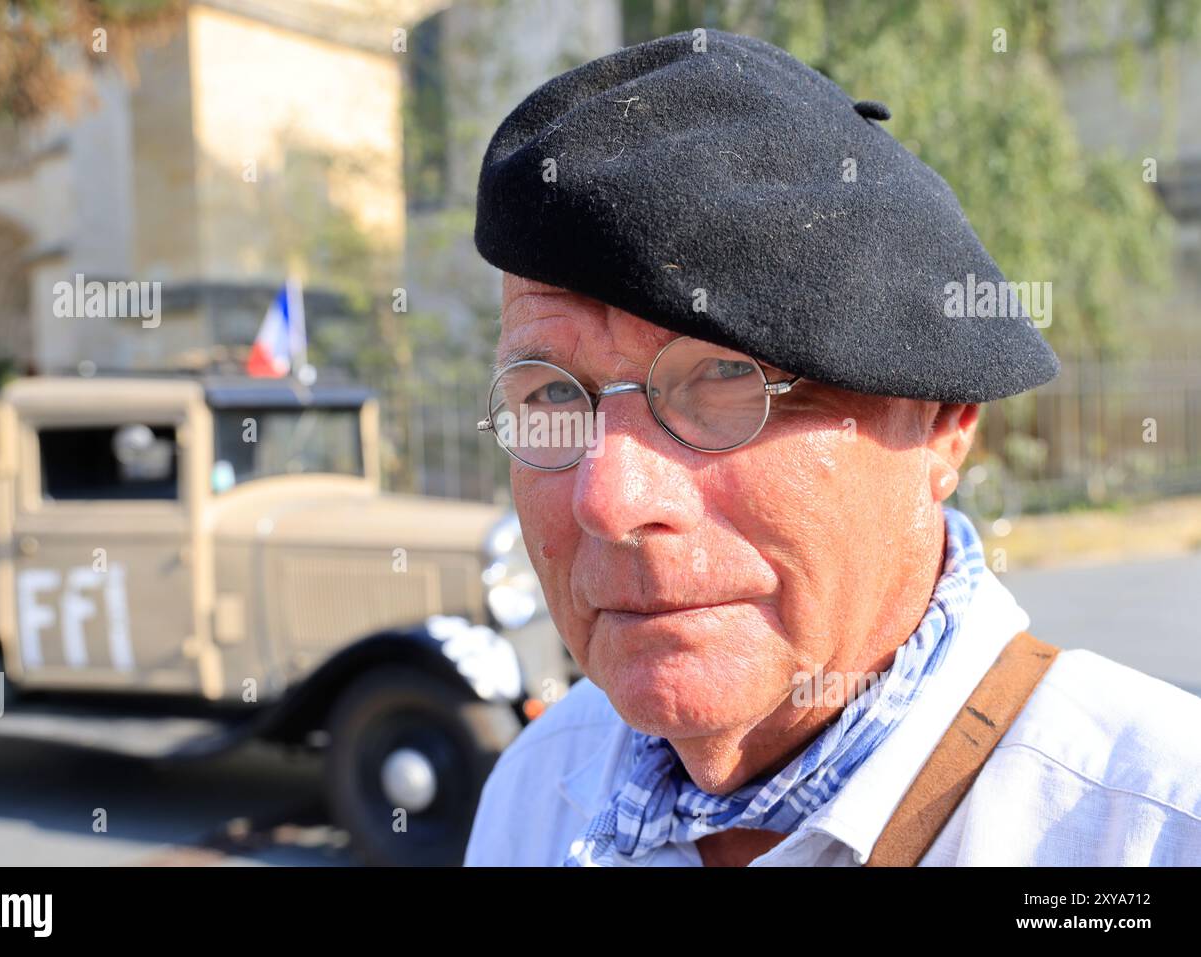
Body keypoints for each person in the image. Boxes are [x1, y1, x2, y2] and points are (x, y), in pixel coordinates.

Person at [461, 30, 1201, 867]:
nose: (610, 498)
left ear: (940, 423)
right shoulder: (535, 788)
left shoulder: (1154, 830)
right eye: (553, 394)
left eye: (722, 380)